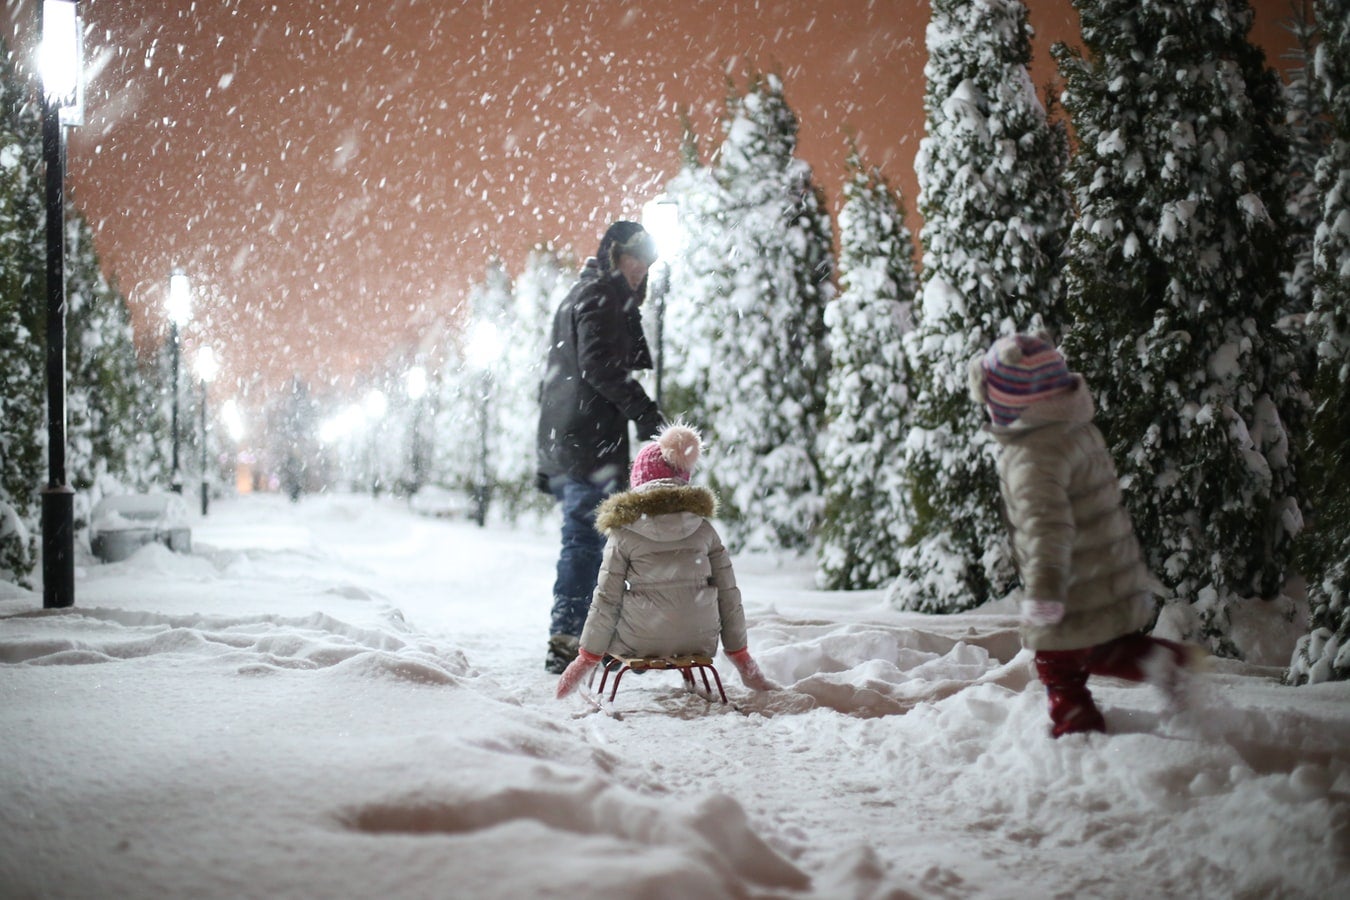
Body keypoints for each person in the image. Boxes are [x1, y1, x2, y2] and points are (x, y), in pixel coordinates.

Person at [968, 333, 1202, 737]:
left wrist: (1043, 594)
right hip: (1108, 568)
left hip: (1073, 582)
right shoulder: (1075, 430)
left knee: (1056, 660)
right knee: (1102, 648)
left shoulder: (1033, 456)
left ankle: (1076, 726)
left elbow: (1046, 532)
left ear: (1010, 405)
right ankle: (1163, 662)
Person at [554, 423, 776, 698]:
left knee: (616, 605)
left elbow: (606, 600)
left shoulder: (623, 534)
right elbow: (729, 596)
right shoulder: (705, 530)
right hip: (699, 640)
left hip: (638, 642)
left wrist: (587, 657)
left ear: (638, 484)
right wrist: (740, 656)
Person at [536, 221, 666, 674]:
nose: (640, 269)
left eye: (647, 262)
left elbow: (557, 374)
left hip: (573, 439)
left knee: (591, 539)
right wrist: (648, 414)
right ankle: (570, 638)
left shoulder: (581, 292)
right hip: (589, 440)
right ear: (613, 255)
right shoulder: (600, 295)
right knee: (586, 541)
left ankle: (583, 638)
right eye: (634, 259)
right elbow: (598, 366)